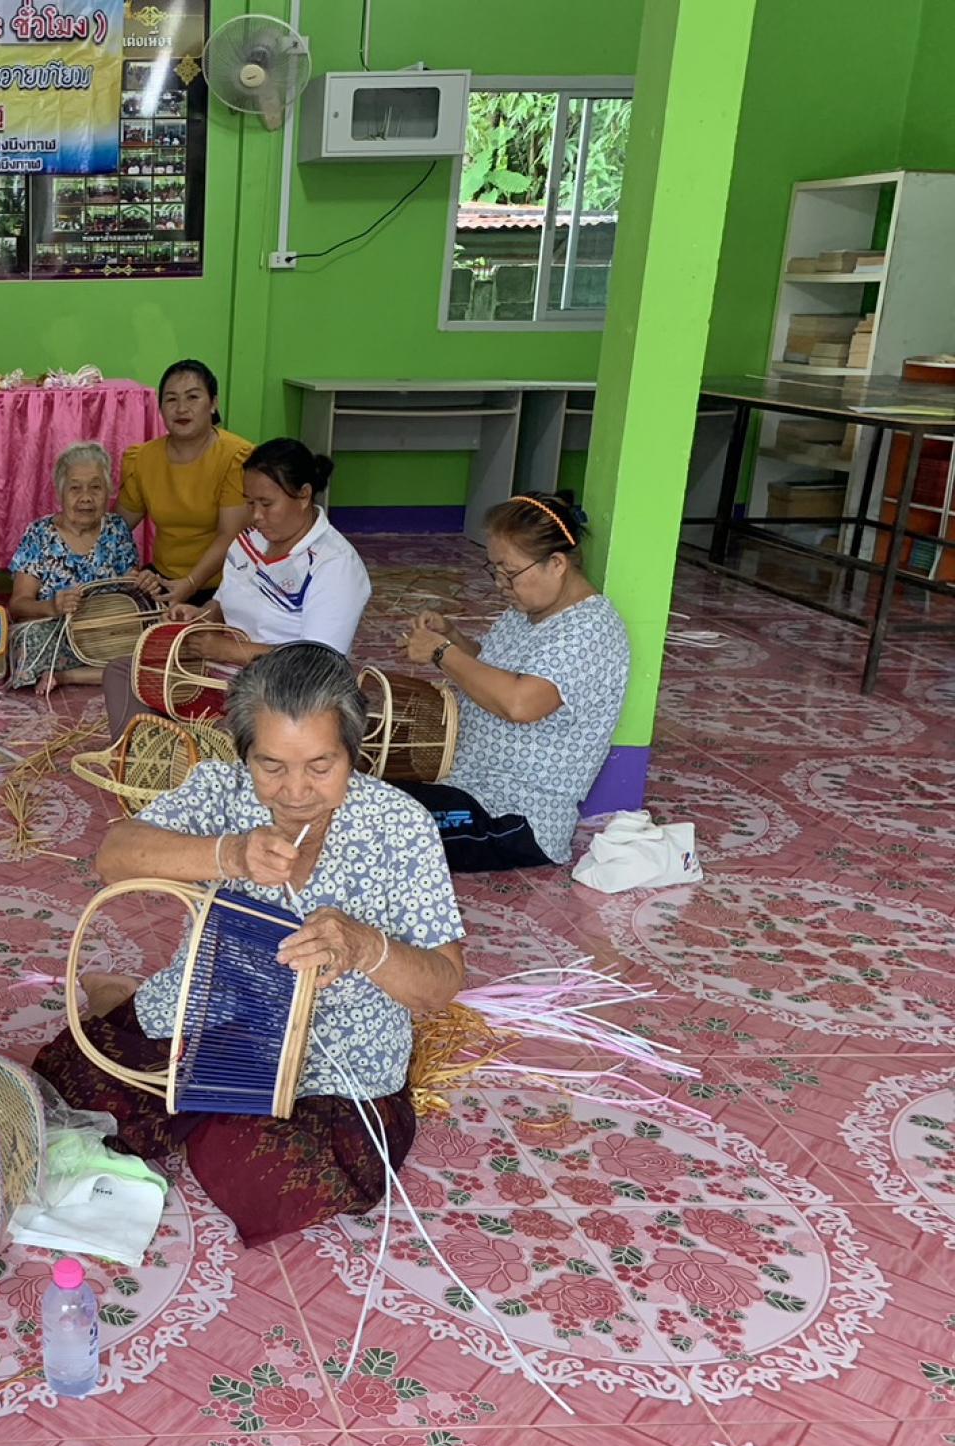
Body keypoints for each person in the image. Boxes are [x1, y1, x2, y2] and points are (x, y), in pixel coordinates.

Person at [34, 645, 466, 1247]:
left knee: (269, 1183)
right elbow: (114, 857)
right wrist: (228, 853)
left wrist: (366, 947)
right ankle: (135, 1012)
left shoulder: (401, 825)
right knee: (65, 1089)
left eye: (321, 765)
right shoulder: (220, 791)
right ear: (245, 755)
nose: (296, 791)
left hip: (339, 1058)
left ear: (352, 752)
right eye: (271, 765)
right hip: (212, 1019)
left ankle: (179, 1077)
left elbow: (442, 984)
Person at [398, 491, 630, 871]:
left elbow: (520, 703)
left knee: (371, 822)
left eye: (510, 572)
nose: (500, 583)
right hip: (467, 784)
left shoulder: (590, 630)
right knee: (350, 792)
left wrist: (442, 653)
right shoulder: (528, 611)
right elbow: (493, 671)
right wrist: (453, 637)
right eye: (494, 570)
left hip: (513, 816)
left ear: (557, 564)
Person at [104, 438, 371, 735]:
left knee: (235, 725)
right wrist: (199, 617)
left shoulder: (335, 563)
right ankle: (155, 749)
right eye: (250, 503)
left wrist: (228, 651)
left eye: (266, 504)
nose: (255, 515)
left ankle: (188, 745)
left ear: (304, 495)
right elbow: (222, 601)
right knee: (123, 672)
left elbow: (319, 662)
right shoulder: (249, 542)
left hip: (284, 689)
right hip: (223, 671)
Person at [3, 440, 159, 690]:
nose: (86, 498)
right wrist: (53, 607)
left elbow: (131, 590)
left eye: (95, 487)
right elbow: (18, 604)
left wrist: (144, 583)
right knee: (27, 640)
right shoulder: (39, 533)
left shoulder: (116, 529)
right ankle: (109, 672)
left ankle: (67, 676)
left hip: (105, 634)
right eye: (75, 488)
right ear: (60, 493)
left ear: (108, 491)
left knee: (154, 639)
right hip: (57, 632)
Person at [118, 359, 255, 607]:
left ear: (213, 403)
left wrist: (191, 583)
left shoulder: (236, 458)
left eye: (192, 397)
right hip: (162, 579)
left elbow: (230, 535)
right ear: (160, 408)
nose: (181, 408)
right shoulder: (143, 458)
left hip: (223, 585)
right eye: (171, 399)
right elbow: (118, 526)